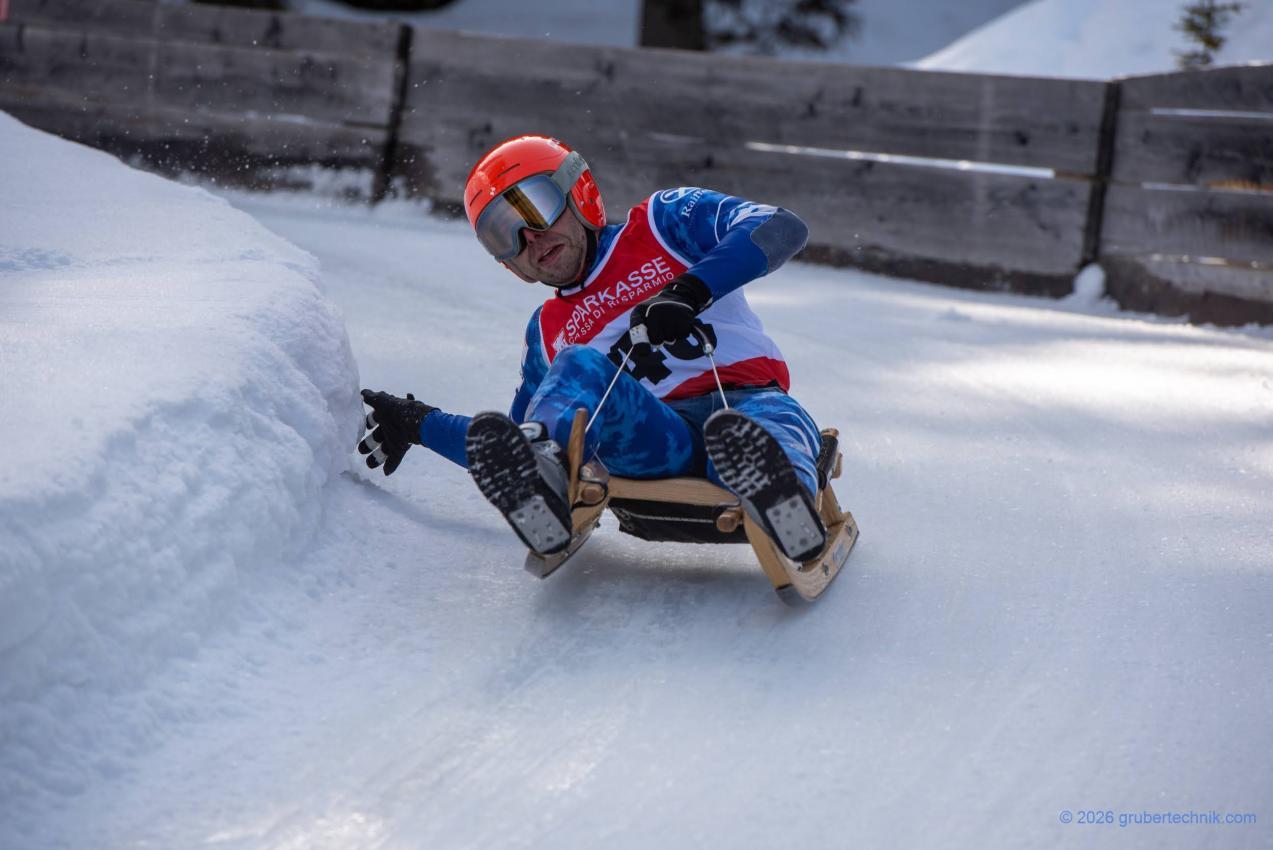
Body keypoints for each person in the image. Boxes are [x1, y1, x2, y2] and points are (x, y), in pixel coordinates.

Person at [358, 135, 827, 562]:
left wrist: (689, 290)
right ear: (506, 262)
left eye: (537, 207)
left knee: (767, 429)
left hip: (749, 402)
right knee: (577, 364)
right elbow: (511, 443)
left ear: (578, 193)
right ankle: (543, 493)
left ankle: (785, 503)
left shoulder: (663, 223)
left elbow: (779, 227)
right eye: (505, 233)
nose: (530, 237)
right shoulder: (547, 332)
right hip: (656, 439)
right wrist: (420, 424)